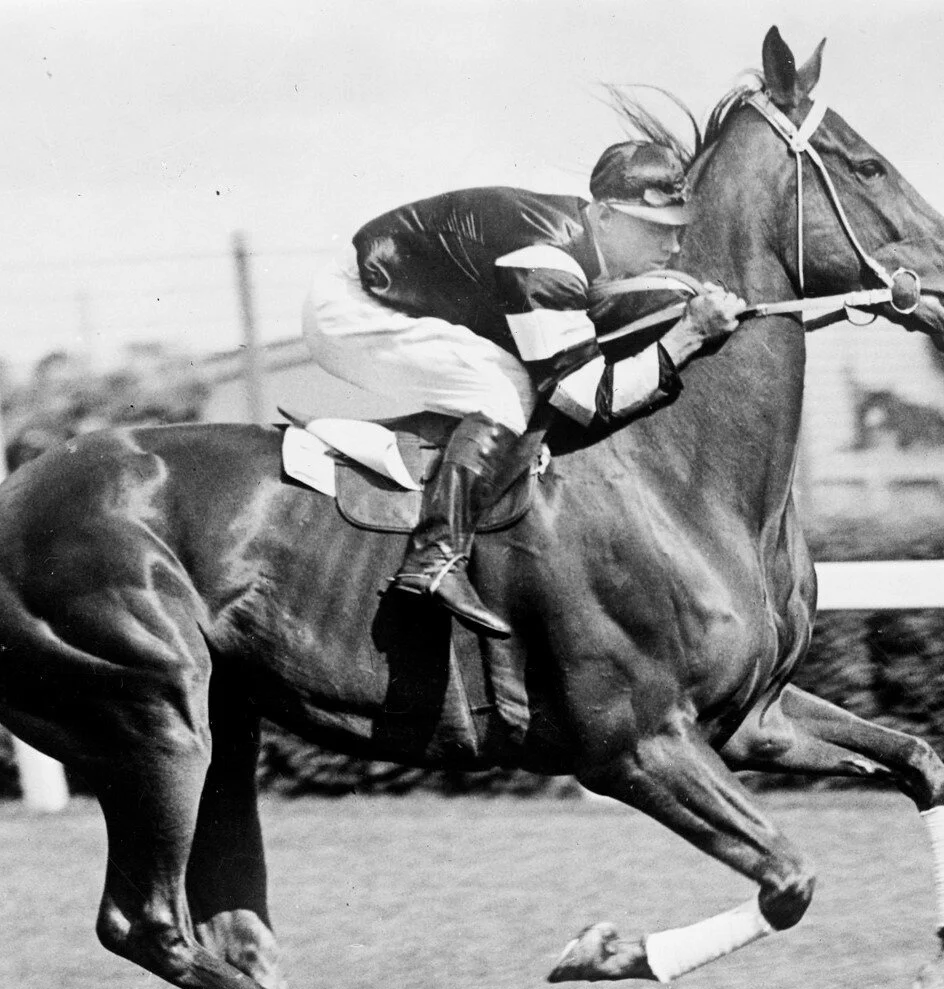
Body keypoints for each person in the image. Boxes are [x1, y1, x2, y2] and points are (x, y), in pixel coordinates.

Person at [303, 141, 747, 637]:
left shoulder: (579, 242)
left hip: (395, 293)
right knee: (507, 389)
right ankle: (434, 558)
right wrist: (688, 335)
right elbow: (588, 401)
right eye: (656, 230)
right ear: (603, 217)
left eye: (678, 229)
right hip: (352, 308)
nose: (673, 247)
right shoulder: (545, 261)